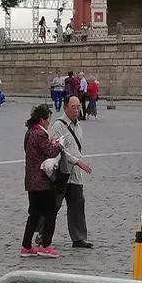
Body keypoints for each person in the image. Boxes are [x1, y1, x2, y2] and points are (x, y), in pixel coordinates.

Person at [51, 95, 95, 249]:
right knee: (53, 205)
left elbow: (77, 148)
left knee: (77, 204)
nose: (77, 110)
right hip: (61, 173)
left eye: (78, 107)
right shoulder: (58, 125)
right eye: (73, 107)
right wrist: (78, 161)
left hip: (75, 174)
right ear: (65, 108)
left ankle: (78, 238)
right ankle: (42, 234)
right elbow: (58, 149)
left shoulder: (79, 125)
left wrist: (79, 162)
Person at [22, 104, 61, 257]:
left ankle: (26, 245)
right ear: (42, 120)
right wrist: (58, 144)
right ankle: (46, 245)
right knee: (50, 212)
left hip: (31, 180)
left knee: (34, 214)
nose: (49, 123)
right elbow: (51, 152)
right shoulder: (40, 134)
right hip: (42, 181)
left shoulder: (30, 132)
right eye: (48, 120)